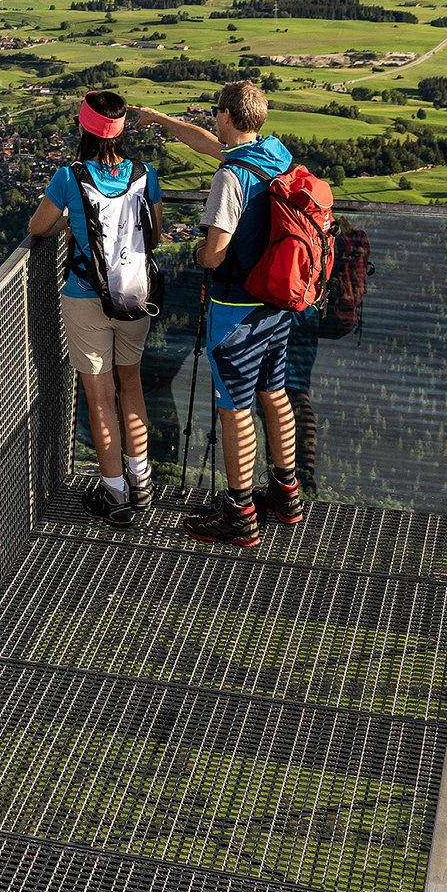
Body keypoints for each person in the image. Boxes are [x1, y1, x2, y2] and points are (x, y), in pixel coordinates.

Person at [133, 80, 300, 549]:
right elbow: (217, 148)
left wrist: (198, 257)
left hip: (236, 313)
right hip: (277, 300)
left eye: (215, 112)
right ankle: (287, 495)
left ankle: (240, 513)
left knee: (235, 411)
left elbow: (217, 251)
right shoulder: (274, 154)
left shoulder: (230, 179)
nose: (212, 119)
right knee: (275, 394)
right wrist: (163, 121)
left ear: (226, 113)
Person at [28, 89, 161, 527]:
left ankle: (115, 492)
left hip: (86, 296)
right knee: (132, 387)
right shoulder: (145, 173)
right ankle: (142, 480)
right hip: (136, 297)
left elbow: (39, 226)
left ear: (84, 127)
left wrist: (73, 220)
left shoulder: (70, 176)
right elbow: (153, 235)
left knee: (100, 398)